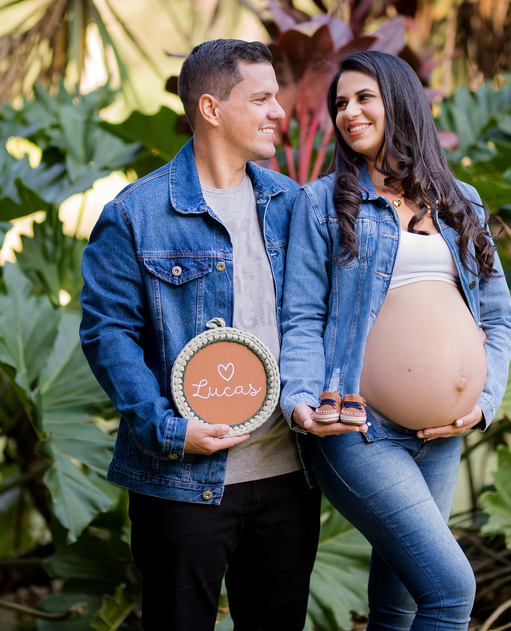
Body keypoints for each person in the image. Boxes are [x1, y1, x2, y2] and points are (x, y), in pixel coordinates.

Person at [79, 39, 321, 631]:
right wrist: (167, 427)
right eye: (261, 98)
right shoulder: (136, 213)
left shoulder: (290, 203)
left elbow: (318, 321)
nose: (278, 112)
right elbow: (107, 333)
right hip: (182, 483)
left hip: (289, 477)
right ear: (211, 109)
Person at [279, 50, 511, 631]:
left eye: (364, 98)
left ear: (401, 102)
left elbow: (498, 317)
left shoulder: (460, 201)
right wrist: (302, 402)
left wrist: (482, 406)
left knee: (402, 603)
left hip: (442, 437)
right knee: (450, 589)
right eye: (340, 103)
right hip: (360, 431)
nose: (349, 112)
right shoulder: (322, 203)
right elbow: (302, 317)